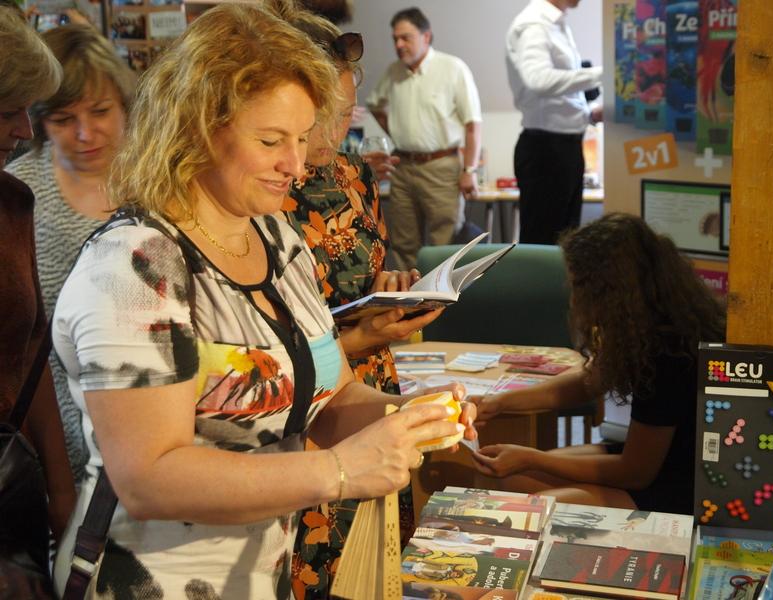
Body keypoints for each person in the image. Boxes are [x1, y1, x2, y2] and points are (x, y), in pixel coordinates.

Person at [49, 5, 475, 598]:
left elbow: (329, 395)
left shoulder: (275, 237)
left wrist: (404, 418)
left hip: (256, 575)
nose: (295, 165)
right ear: (196, 128)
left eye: (302, 139)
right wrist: (341, 470)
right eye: (271, 140)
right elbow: (149, 477)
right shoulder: (134, 266)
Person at [270, 4, 444, 595]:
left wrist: (391, 288)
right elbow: (267, 357)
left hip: (365, 381)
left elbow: (364, 270)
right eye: (330, 115)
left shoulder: (352, 174)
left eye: (349, 113)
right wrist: (365, 335)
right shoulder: (265, 191)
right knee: (317, 565)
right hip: (304, 406)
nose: (339, 130)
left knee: (377, 556)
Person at [472, 213, 726, 515]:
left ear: (606, 290)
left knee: (525, 507)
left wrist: (531, 458)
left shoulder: (669, 353)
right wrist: (498, 403)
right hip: (652, 463)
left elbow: (635, 473)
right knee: (508, 479)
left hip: (677, 489)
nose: (573, 295)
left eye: (578, 284)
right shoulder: (646, 324)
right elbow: (587, 383)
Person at [7, 23, 135, 484]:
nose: (86, 133)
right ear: (38, 122)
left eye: (100, 111)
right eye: (63, 120)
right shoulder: (20, 194)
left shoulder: (161, 182)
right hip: (52, 449)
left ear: (124, 103)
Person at [0, 6, 76, 593]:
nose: (24, 130)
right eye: (6, 112)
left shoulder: (12, 204)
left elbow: (31, 357)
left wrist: (60, 489)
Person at [366, 7, 482, 270]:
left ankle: (445, 307)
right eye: (395, 38)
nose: (399, 44)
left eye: (406, 37)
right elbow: (374, 104)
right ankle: (412, 307)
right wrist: (397, 131)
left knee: (445, 243)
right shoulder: (394, 71)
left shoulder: (452, 68)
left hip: (441, 168)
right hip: (403, 168)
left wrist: (470, 170)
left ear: (426, 36)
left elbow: (473, 124)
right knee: (404, 244)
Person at [506, 0, 604, 245]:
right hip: (546, 153)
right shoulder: (534, 24)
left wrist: (588, 114)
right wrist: (605, 73)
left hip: (563, 148)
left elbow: (558, 101)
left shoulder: (556, 23)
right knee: (544, 245)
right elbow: (539, 80)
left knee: (564, 244)